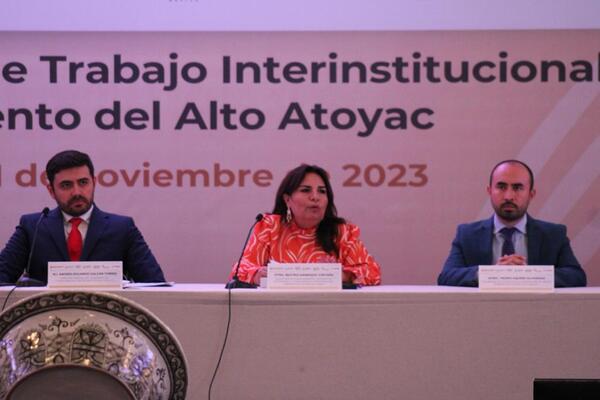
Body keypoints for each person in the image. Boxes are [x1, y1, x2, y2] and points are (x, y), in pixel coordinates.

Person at [0, 150, 166, 284]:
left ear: (94, 182)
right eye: (66, 185)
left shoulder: (122, 228)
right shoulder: (33, 227)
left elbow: (155, 284)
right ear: (51, 191)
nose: (77, 192)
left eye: (83, 182)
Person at [438, 159, 586, 287]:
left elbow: (577, 277)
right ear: (489, 191)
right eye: (501, 187)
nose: (509, 196)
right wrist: (491, 274)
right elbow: (446, 277)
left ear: (531, 194)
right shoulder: (467, 234)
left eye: (518, 188)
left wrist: (530, 275)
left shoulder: (554, 235)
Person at [231, 164, 381, 286]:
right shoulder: (269, 227)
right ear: (287, 200)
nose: (315, 197)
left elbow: (372, 273)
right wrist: (257, 275)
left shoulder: (342, 232)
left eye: (322, 191)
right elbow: (240, 270)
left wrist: (339, 275)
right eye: (305, 190)